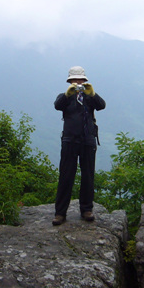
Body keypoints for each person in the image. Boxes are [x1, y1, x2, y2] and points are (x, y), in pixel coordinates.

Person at [52, 66, 106, 226]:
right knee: (66, 175)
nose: (78, 82)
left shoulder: (90, 97)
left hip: (88, 140)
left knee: (88, 175)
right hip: (69, 140)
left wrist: (92, 93)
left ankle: (86, 210)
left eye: (80, 80)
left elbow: (102, 105)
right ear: (69, 81)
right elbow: (57, 105)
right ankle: (60, 213)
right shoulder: (64, 97)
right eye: (75, 80)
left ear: (85, 80)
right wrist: (68, 93)